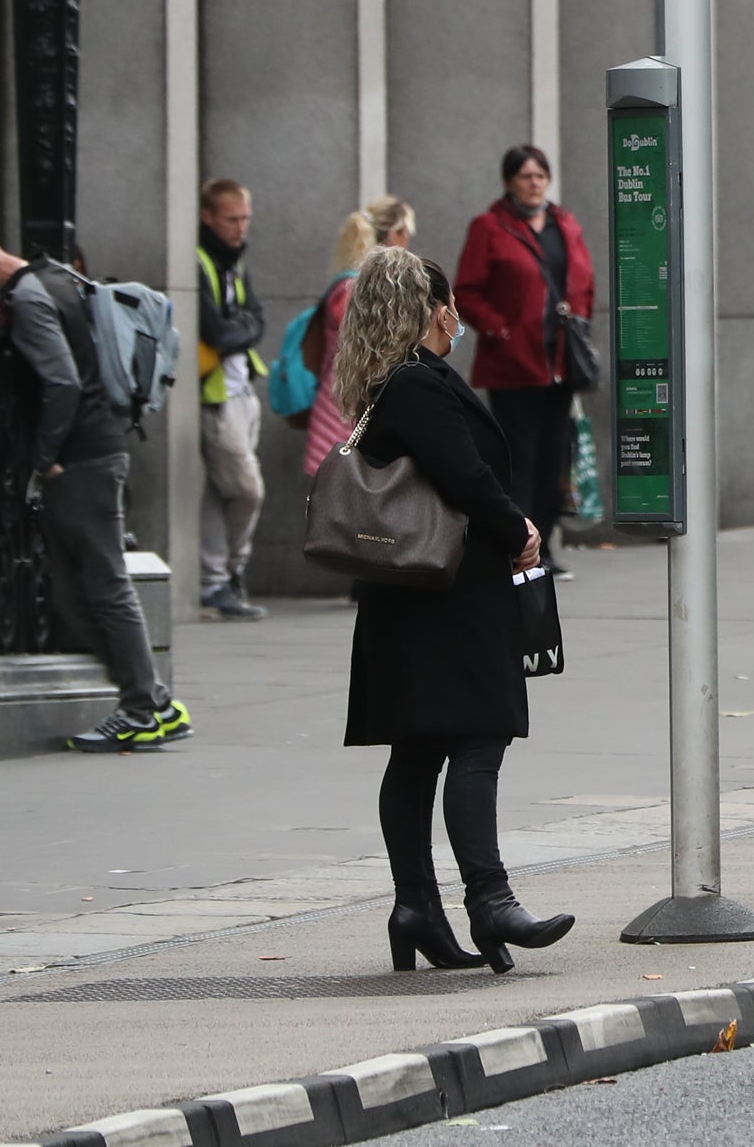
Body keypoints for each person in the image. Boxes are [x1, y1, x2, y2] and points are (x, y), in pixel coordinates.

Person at [334, 248, 571, 972]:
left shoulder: (390, 383)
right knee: (479, 734)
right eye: (453, 305)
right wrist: (519, 528)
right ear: (433, 308)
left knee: (421, 749)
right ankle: (489, 900)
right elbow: (463, 474)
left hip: (413, 598)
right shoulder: (417, 383)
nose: (459, 317)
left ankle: (418, 908)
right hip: (448, 596)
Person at [0, 216, 189, 752]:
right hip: (90, 454)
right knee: (80, 590)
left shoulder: (31, 297)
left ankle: (146, 708)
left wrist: (44, 458)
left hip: (80, 460)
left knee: (103, 585)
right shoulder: (50, 278)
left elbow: (61, 380)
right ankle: (149, 700)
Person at [455, 146, 595, 579]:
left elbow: (585, 281)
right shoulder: (490, 227)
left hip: (560, 364)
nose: (534, 183)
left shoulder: (565, 224)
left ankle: (545, 549)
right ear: (509, 181)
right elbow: (467, 291)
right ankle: (518, 548)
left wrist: (582, 321)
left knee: (553, 459)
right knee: (518, 460)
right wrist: (502, 330)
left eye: (540, 175)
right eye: (525, 176)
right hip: (514, 368)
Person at [196, 178, 271, 620]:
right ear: (208, 217)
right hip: (216, 394)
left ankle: (217, 581)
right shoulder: (202, 261)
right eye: (232, 218)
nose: (241, 227)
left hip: (241, 390)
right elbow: (219, 331)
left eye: (245, 218)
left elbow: (256, 320)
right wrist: (239, 331)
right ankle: (227, 574)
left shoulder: (234, 264)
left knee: (219, 493)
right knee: (246, 490)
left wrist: (238, 331)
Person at [305, 198, 417, 477]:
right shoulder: (355, 289)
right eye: (406, 234)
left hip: (348, 404)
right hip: (348, 407)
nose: (408, 243)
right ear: (393, 235)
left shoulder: (354, 286)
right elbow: (377, 344)